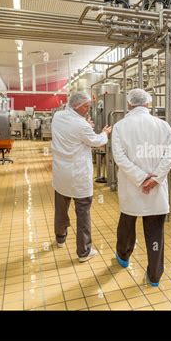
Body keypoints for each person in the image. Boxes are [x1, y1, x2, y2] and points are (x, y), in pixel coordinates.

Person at [111, 88, 171, 287]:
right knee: (155, 232)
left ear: (129, 104)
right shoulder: (163, 126)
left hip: (131, 188)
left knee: (127, 224)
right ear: (148, 104)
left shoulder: (120, 126)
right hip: (156, 190)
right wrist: (154, 180)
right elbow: (170, 155)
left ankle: (123, 256)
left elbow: (119, 158)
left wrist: (140, 178)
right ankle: (155, 275)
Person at [51, 91, 112, 262]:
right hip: (78, 175)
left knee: (61, 209)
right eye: (86, 106)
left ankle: (60, 238)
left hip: (61, 173)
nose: (88, 109)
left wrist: (85, 125)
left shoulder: (58, 116)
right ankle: (84, 251)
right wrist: (105, 133)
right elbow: (96, 141)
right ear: (76, 105)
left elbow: (74, 131)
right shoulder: (81, 125)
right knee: (83, 212)